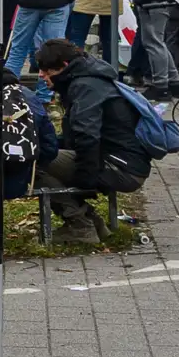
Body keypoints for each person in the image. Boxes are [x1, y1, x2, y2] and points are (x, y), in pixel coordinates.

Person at [33, 37, 158, 243]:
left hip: (120, 167)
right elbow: (77, 135)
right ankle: (92, 221)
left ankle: (80, 226)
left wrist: (86, 178)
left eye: (47, 71)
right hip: (124, 162)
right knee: (45, 153)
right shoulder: (89, 78)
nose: (41, 75)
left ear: (64, 66)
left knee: (33, 163)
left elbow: (86, 136)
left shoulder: (84, 87)